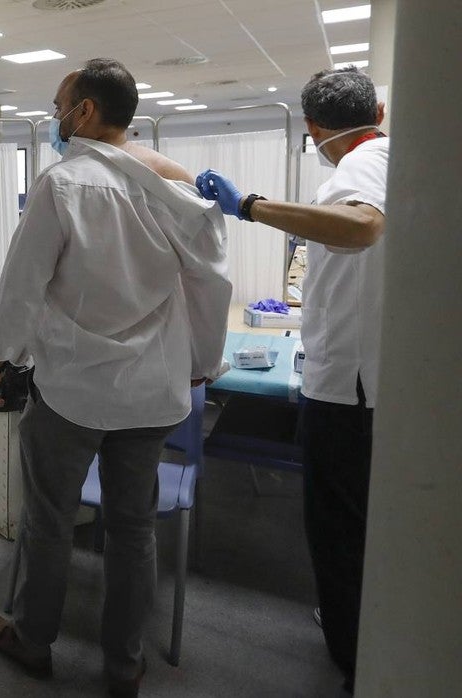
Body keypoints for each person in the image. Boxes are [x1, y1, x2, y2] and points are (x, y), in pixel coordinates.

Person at [0, 59, 230, 698]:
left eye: (60, 103)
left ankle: (35, 641)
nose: (56, 116)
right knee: (134, 528)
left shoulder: (62, 185)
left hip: (74, 393)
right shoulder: (172, 191)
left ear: (85, 111)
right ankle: (124, 666)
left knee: (51, 519)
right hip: (154, 392)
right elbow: (211, 284)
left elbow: (22, 288)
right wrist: (202, 360)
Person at [195, 66, 388, 695]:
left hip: (349, 386)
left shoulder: (361, 166)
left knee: (337, 520)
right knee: (354, 518)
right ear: (378, 111)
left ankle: (353, 656)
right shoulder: (396, 155)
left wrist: (248, 205)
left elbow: (362, 227)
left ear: (311, 129)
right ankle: (358, 629)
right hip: (362, 374)